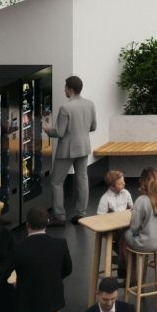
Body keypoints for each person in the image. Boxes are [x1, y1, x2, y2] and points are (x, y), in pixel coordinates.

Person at [51, 74, 96, 221]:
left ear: (70, 89)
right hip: (83, 147)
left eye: (65, 88)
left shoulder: (65, 108)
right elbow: (93, 127)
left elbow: (59, 132)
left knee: (57, 182)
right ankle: (81, 213)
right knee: (82, 179)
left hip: (67, 150)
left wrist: (46, 129)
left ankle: (60, 216)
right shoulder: (90, 104)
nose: (64, 90)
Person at [125, 168, 157, 263]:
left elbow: (134, 228)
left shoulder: (141, 200)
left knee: (125, 235)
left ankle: (127, 267)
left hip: (146, 244)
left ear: (142, 183)